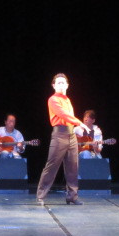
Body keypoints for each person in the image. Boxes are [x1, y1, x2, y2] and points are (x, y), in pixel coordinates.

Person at [36, 73, 91, 206]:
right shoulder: (53, 99)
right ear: (53, 85)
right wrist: (80, 123)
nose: (61, 85)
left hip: (71, 135)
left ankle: (72, 196)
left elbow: (69, 118)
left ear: (67, 85)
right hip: (59, 135)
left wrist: (76, 128)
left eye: (63, 83)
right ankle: (41, 196)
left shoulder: (67, 100)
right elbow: (63, 114)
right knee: (52, 166)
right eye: (58, 83)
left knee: (73, 167)